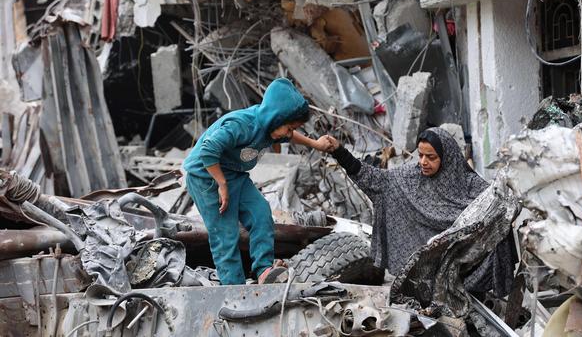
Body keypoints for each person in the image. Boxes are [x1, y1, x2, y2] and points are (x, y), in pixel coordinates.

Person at [325, 127, 514, 295]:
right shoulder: (409, 179)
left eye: (431, 157)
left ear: (446, 157)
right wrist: (340, 153)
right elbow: (374, 179)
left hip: (466, 279)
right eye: (421, 155)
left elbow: (499, 211)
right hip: (424, 284)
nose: (423, 162)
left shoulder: (470, 186)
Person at [183, 78, 331, 285]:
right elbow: (208, 150)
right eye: (289, 128)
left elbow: (291, 135)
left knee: (261, 213)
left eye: (291, 129)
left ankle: (263, 270)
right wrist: (222, 185)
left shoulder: (273, 127)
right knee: (226, 235)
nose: (289, 133)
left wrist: (315, 143)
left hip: (234, 173)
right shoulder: (241, 125)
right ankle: (233, 290)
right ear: (275, 118)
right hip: (207, 176)